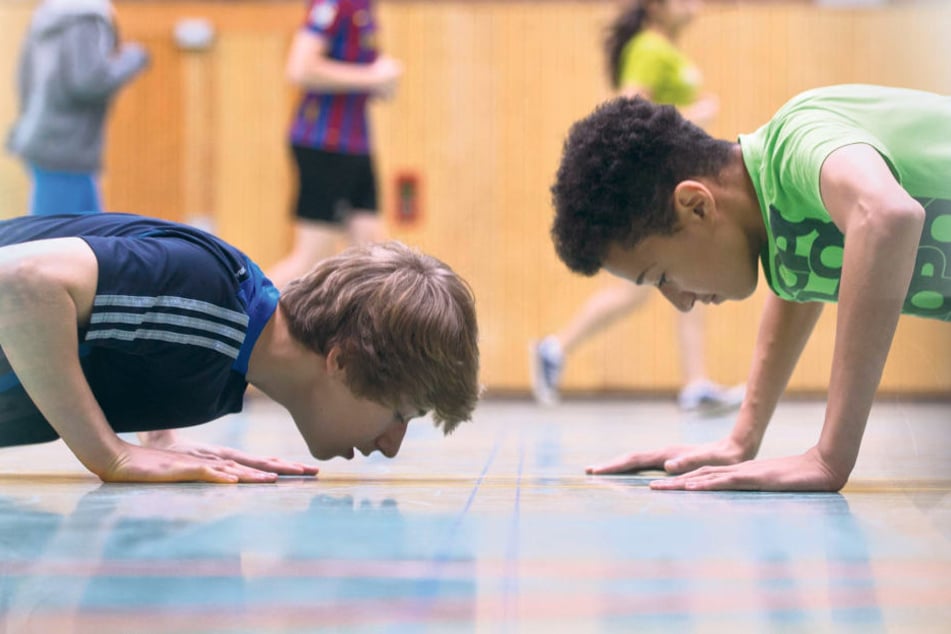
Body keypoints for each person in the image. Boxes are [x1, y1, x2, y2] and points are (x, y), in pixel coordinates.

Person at [550, 84, 950, 491]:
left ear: (697, 205)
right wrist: (742, 438)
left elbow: (886, 216)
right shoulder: (782, 215)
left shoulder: (800, 137)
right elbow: (800, 280)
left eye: (662, 277)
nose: (682, 303)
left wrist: (830, 456)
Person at [0, 213, 480, 483]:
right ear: (344, 361)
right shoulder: (214, 295)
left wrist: (159, 434)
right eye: (400, 413)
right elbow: (19, 282)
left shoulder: (226, 358)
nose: (391, 447)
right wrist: (108, 454)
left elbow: (140, 330)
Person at [532, 0, 739, 413]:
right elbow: (631, 110)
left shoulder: (664, 48)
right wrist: (697, 113)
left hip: (674, 180)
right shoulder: (647, 48)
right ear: (656, 7)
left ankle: (694, 381)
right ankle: (556, 348)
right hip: (658, 188)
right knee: (646, 286)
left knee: (683, 275)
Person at [266, 0, 402, 289]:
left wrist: (380, 81)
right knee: (310, 261)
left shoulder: (363, 7)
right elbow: (300, 68)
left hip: (355, 144)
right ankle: (242, 319)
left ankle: (378, 335)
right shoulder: (334, 4)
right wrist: (371, 77)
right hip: (325, 144)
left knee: (378, 258)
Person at [6, 0, 149, 216]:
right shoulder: (85, 19)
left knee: (84, 233)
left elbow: (23, 77)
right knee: (57, 237)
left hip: (44, 139)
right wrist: (133, 58)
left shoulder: (49, 16)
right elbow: (89, 81)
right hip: (67, 148)